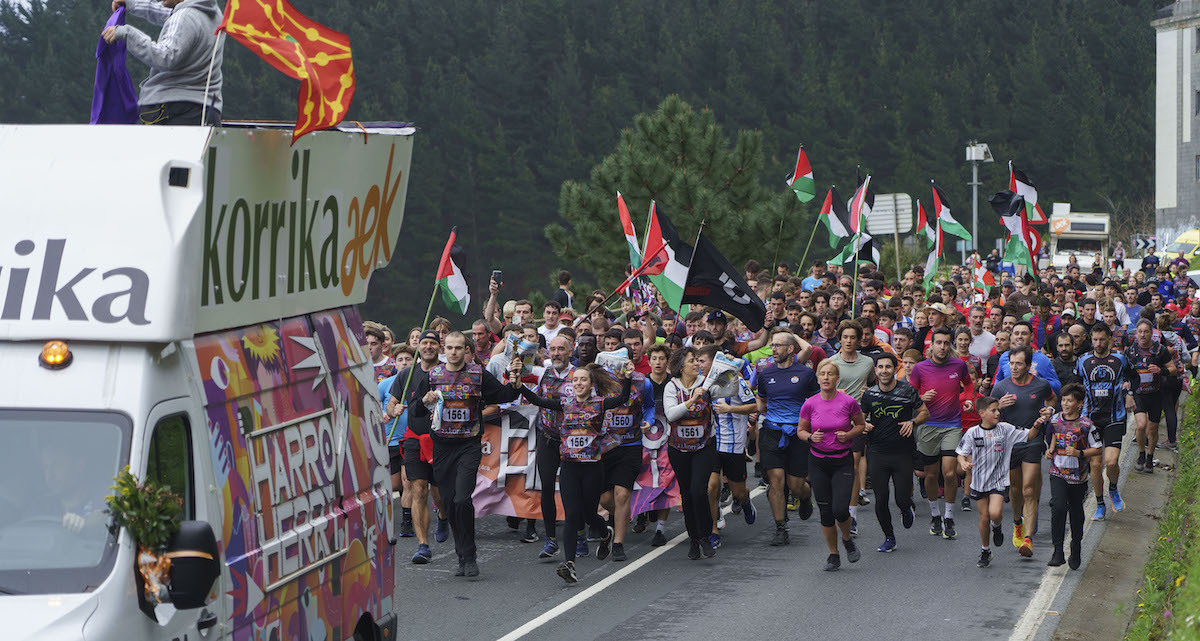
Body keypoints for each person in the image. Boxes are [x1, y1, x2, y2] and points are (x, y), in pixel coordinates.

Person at [411, 332, 523, 578]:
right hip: (442, 446)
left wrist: (516, 381)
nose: (453, 352)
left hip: (468, 445)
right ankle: (461, 553)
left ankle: (469, 554)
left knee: (462, 499)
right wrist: (423, 401)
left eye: (458, 348)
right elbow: (414, 412)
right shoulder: (432, 376)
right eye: (450, 348)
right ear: (444, 350)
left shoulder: (478, 375)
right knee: (449, 502)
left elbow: (505, 395)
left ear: (466, 350)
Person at [518, 362, 633, 583]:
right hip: (569, 466)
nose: (578, 383)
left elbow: (623, 399)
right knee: (571, 515)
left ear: (591, 384)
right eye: (575, 380)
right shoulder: (565, 403)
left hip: (592, 467)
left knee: (589, 515)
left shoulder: (600, 403)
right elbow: (538, 401)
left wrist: (627, 377)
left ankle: (605, 534)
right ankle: (569, 564)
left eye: (583, 380)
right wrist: (518, 386)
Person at [956, 396, 1046, 568]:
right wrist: (963, 463)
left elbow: (1029, 436)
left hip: (998, 481)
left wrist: (1036, 425)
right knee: (984, 518)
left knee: (995, 513)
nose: (998, 413)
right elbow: (961, 453)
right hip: (979, 482)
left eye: (998, 409)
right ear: (981, 413)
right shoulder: (972, 433)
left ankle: (997, 526)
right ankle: (985, 550)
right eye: (993, 410)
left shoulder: (1006, 429)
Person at [103, 0, 224, 125]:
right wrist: (133, 4)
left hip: (171, 109)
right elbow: (172, 14)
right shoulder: (212, 13)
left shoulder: (184, 17)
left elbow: (165, 57)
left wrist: (126, 33)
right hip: (207, 109)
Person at [797, 359, 866, 571]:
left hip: (842, 461)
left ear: (837, 378)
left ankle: (847, 539)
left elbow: (861, 425)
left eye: (830, 374)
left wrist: (849, 435)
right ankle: (833, 554)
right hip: (818, 462)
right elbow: (801, 431)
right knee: (826, 511)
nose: (826, 377)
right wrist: (810, 437)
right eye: (822, 374)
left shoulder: (848, 402)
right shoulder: (810, 404)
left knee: (840, 509)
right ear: (817, 378)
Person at [388, 331, 450, 564]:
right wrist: (393, 410)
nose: (428, 346)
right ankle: (423, 545)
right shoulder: (406, 374)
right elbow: (392, 404)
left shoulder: (447, 371)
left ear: (438, 347)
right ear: (418, 347)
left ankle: (442, 515)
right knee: (418, 489)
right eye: (424, 342)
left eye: (433, 343)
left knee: (439, 494)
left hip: (441, 439)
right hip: (414, 438)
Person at [754, 329, 820, 545]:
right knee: (776, 480)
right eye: (772, 345)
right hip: (772, 432)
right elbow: (761, 400)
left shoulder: (806, 374)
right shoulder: (765, 374)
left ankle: (805, 496)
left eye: (778, 345)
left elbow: (816, 403)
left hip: (797, 434)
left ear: (791, 349)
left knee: (795, 484)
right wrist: (762, 412)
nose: (773, 349)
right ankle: (780, 527)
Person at [860, 353, 929, 552]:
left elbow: (925, 412)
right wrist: (864, 425)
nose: (884, 371)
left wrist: (912, 422)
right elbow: (860, 419)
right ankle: (889, 537)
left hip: (902, 452)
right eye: (880, 367)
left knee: (901, 497)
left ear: (894, 369)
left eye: (888, 367)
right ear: (875, 371)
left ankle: (906, 507)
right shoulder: (869, 395)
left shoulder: (907, 391)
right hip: (877, 451)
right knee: (881, 498)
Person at [908, 327, 972, 539]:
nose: (942, 347)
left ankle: (949, 516)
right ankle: (935, 514)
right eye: (939, 343)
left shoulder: (958, 365)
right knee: (931, 474)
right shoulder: (920, 368)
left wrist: (968, 399)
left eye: (946, 343)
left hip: (952, 425)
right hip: (928, 425)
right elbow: (910, 395)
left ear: (950, 345)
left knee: (950, 473)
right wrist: (921, 398)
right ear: (932, 345)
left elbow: (968, 385)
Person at [991, 345, 1055, 557]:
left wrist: (1049, 410)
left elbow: (1052, 398)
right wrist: (999, 406)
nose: (1014, 367)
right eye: (1011, 363)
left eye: (1018, 364)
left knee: (1029, 490)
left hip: (1032, 440)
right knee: (1016, 490)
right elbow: (988, 415)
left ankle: (1028, 539)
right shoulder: (1001, 387)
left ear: (1028, 365)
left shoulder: (1040, 384)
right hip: (1009, 443)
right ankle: (1017, 522)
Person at [598, 347, 656, 562]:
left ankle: (618, 543)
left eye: (624, 363)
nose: (620, 368)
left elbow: (649, 406)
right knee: (605, 499)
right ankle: (618, 519)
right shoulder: (602, 381)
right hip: (605, 446)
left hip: (631, 444)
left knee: (622, 495)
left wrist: (648, 421)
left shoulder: (643, 382)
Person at [663, 347, 720, 560]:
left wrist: (731, 369)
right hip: (678, 449)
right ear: (681, 366)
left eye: (697, 360)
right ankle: (694, 538)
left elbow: (730, 389)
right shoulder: (671, 386)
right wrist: (692, 399)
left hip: (704, 447)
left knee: (698, 490)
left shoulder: (707, 384)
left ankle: (705, 536)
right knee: (686, 494)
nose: (696, 364)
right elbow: (671, 415)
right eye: (691, 361)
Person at [703, 346, 758, 549]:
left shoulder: (735, 380)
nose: (700, 365)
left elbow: (755, 406)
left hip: (734, 444)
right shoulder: (704, 383)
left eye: (703, 362)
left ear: (714, 362)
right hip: (711, 443)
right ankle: (713, 530)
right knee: (711, 487)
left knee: (739, 491)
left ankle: (745, 501)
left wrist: (730, 408)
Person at [1044, 384, 1102, 569]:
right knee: (1058, 507)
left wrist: (1079, 453)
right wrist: (1050, 450)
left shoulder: (1086, 425)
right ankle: (1057, 552)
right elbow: (1053, 436)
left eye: (1069, 401)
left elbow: (1097, 448)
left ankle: (1076, 546)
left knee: (1075, 510)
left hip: (1078, 477)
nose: (1065, 404)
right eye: (1063, 400)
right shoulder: (1055, 419)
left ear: (1079, 404)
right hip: (1057, 472)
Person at [1125, 319, 1175, 473]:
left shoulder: (1160, 350)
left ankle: (1149, 457)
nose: (1143, 335)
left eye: (1146, 332)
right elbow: (1124, 372)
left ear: (1151, 333)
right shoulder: (1131, 351)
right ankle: (1141, 453)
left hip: (1156, 394)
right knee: (1141, 425)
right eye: (1140, 332)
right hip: (1139, 394)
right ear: (1136, 333)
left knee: (1153, 429)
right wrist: (1127, 389)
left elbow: (1173, 368)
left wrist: (1161, 370)